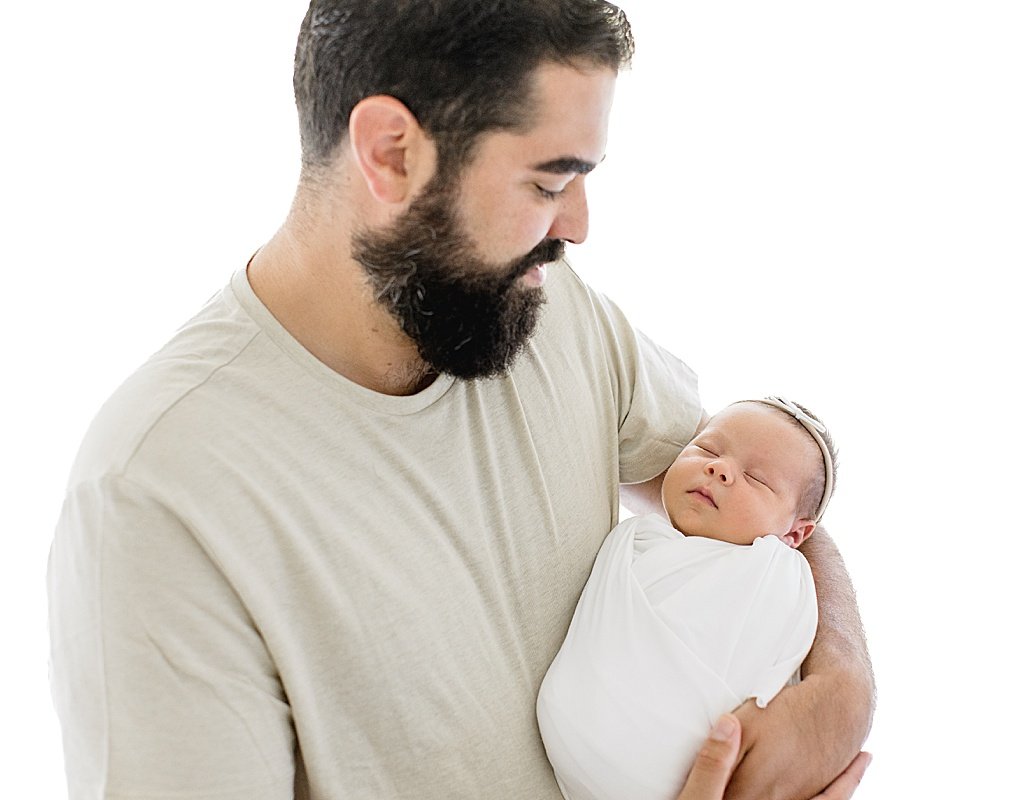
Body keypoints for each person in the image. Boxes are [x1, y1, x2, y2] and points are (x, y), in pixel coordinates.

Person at [46, 2, 874, 798]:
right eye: (552, 181)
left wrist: (842, 683)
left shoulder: (545, 306)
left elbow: (757, 487)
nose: (579, 224)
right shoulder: (156, 496)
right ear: (393, 151)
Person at [538, 397, 838, 799]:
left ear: (794, 536)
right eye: (707, 449)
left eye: (757, 478)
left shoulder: (774, 572)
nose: (719, 468)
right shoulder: (636, 538)